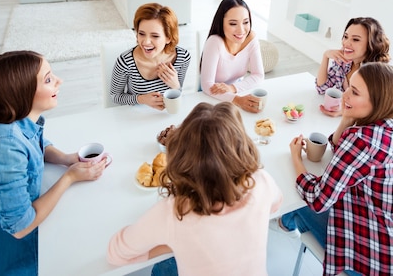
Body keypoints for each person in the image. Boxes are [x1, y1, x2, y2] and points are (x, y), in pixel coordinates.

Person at [0, 51, 108, 276]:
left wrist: (65, 158)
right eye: (48, 79)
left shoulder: (10, 119)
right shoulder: (3, 145)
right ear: (22, 92)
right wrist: (70, 177)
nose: (59, 81)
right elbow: (21, 226)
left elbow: (33, 142)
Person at [274, 63, 393, 276]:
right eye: (348, 87)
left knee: (296, 199)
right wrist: (347, 117)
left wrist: (296, 159)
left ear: (378, 101)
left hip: (373, 263)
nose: (345, 95)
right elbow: (342, 151)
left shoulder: (362, 141)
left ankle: (286, 222)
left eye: (354, 92)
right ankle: (287, 223)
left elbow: (318, 199)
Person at [107, 102, 283, 276]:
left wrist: (172, 245)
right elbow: (275, 205)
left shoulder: (173, 212)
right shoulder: (261, 181)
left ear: (180, 155)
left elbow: (116, 253)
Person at [110, 3, 191, 109]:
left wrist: (176, 86)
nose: (146, 42)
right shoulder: (125, 62)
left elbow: (178, 94)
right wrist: (141, 99)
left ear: (169, 38)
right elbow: (115, 96)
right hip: (137, 117)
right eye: (141, 34)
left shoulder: (182, 57)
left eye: (155, 36)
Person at [200, 0, 264, 113]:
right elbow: (206, 84)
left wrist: (232, 88)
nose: (241, 30)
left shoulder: (251, 38)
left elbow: (259, 75)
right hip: (212, 95)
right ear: (221, 23)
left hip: (238, 89)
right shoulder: (214, 42)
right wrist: (237, 100)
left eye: (245, 22)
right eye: (233, 24)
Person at [316, 17, 390, 117]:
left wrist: (344, 111)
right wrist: (326, 56)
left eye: (355, 39)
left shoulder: (377, 72)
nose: (346, 43)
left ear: (371, 44)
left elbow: (379, 110)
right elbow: (322, 88)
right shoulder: (344, 61)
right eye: (345, 37)